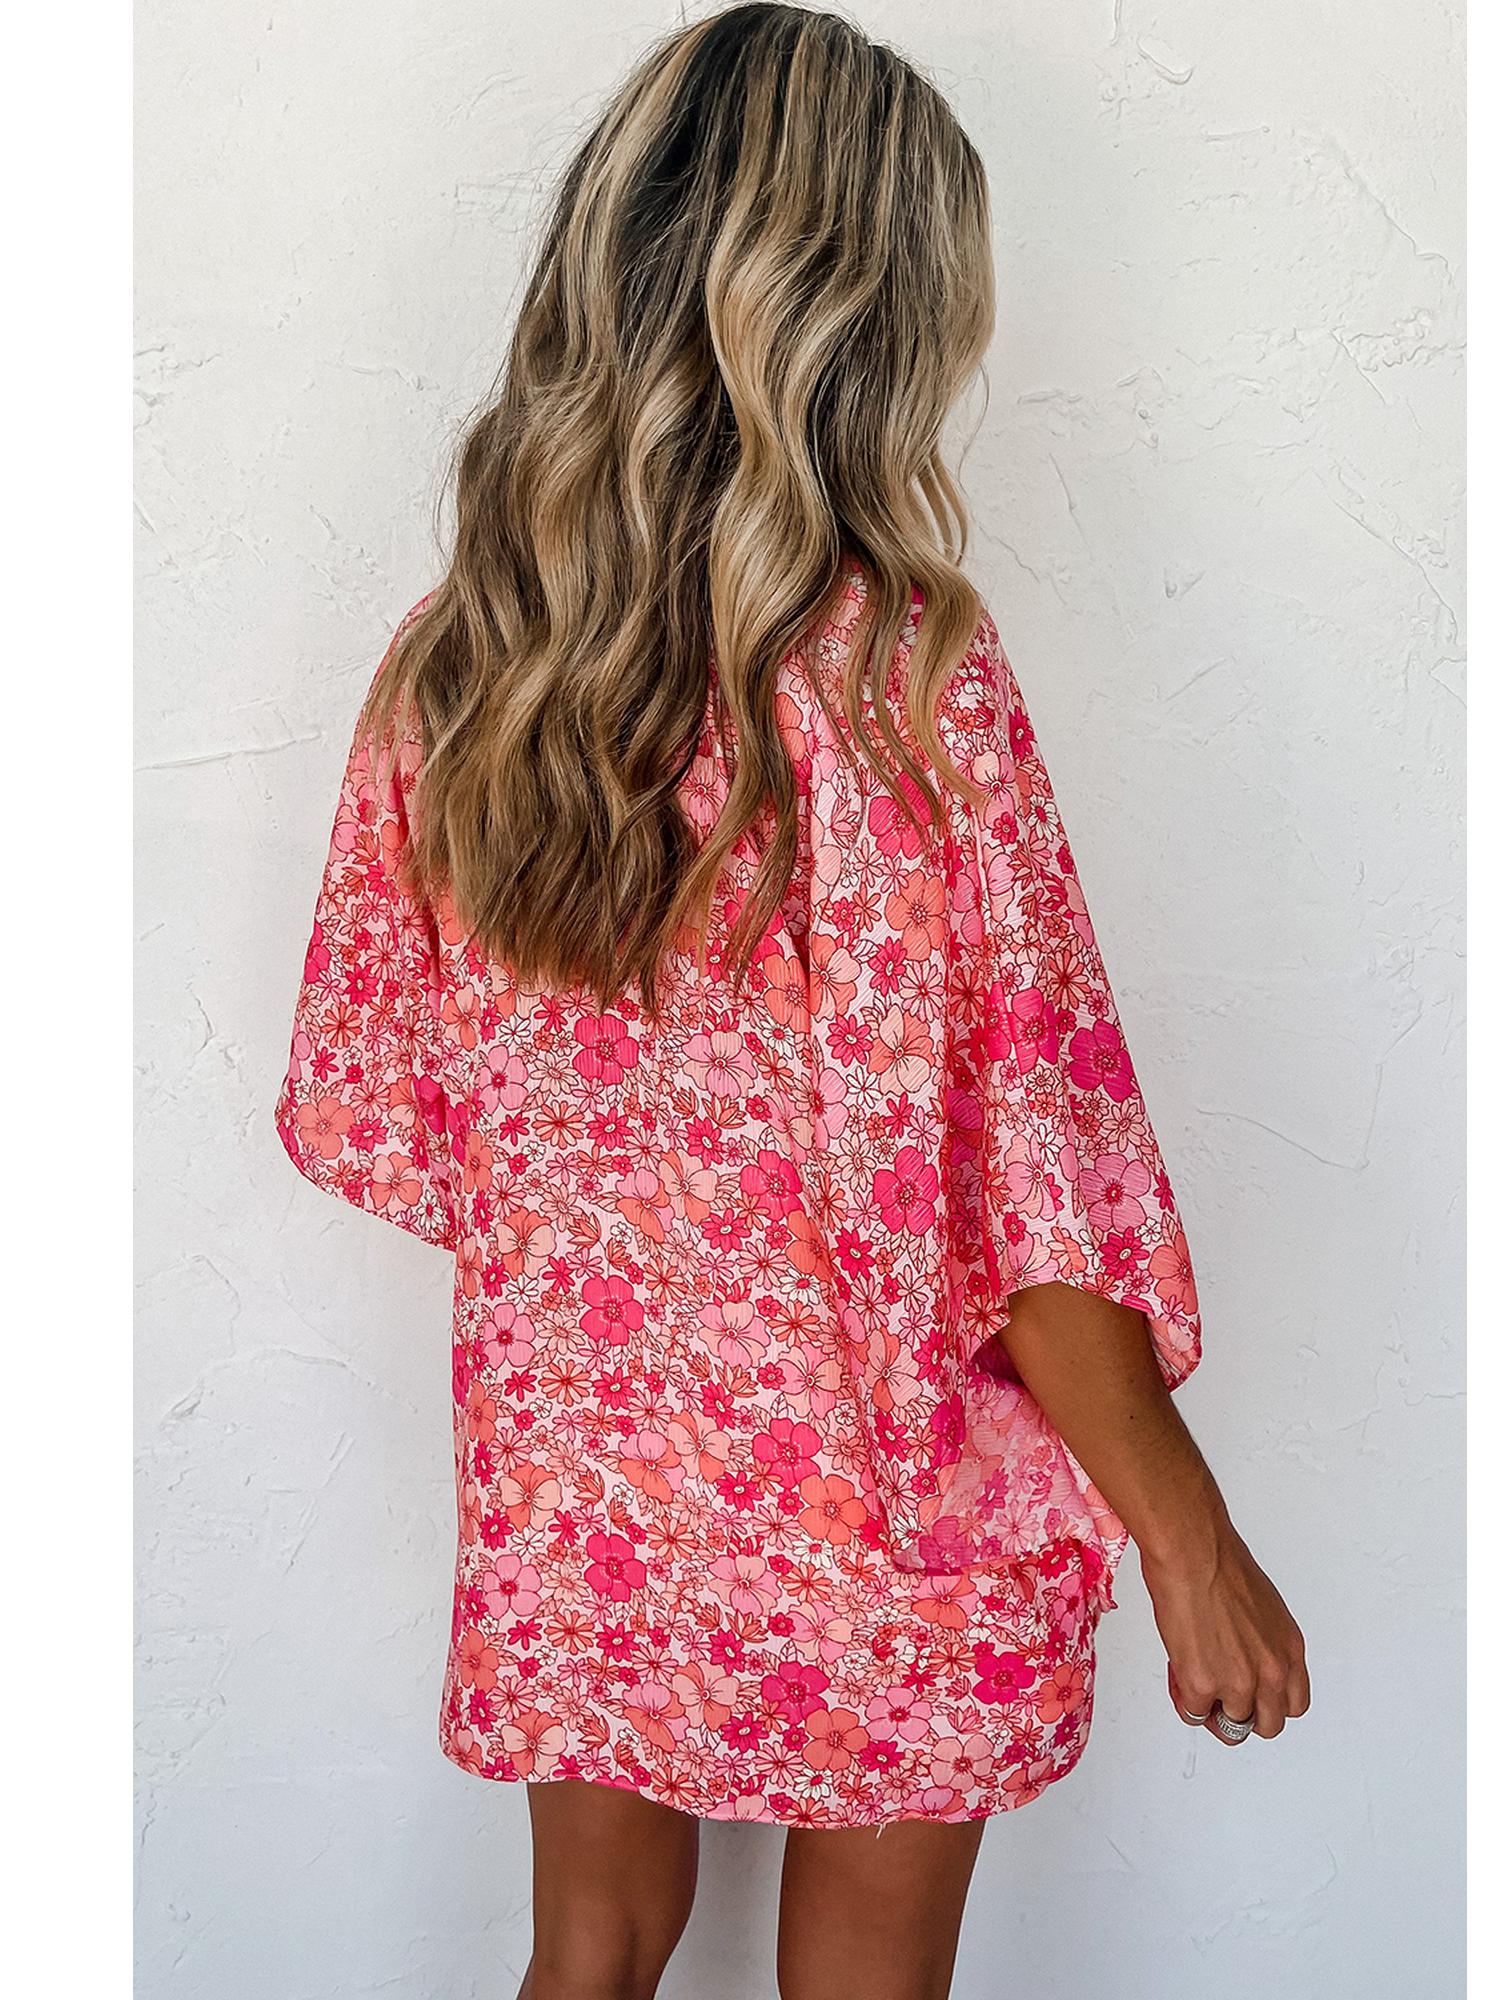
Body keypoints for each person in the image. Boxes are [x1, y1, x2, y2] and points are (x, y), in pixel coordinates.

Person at [275, 7, 1309, 1996]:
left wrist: (636, 1313)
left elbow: (388, 1118)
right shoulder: (899, 678)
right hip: (897, 1480)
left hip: (584, 1487)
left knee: (586, 1950)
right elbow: (1016, 1182)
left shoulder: (451, 672)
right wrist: (1189, 1538)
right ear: (859, 319)